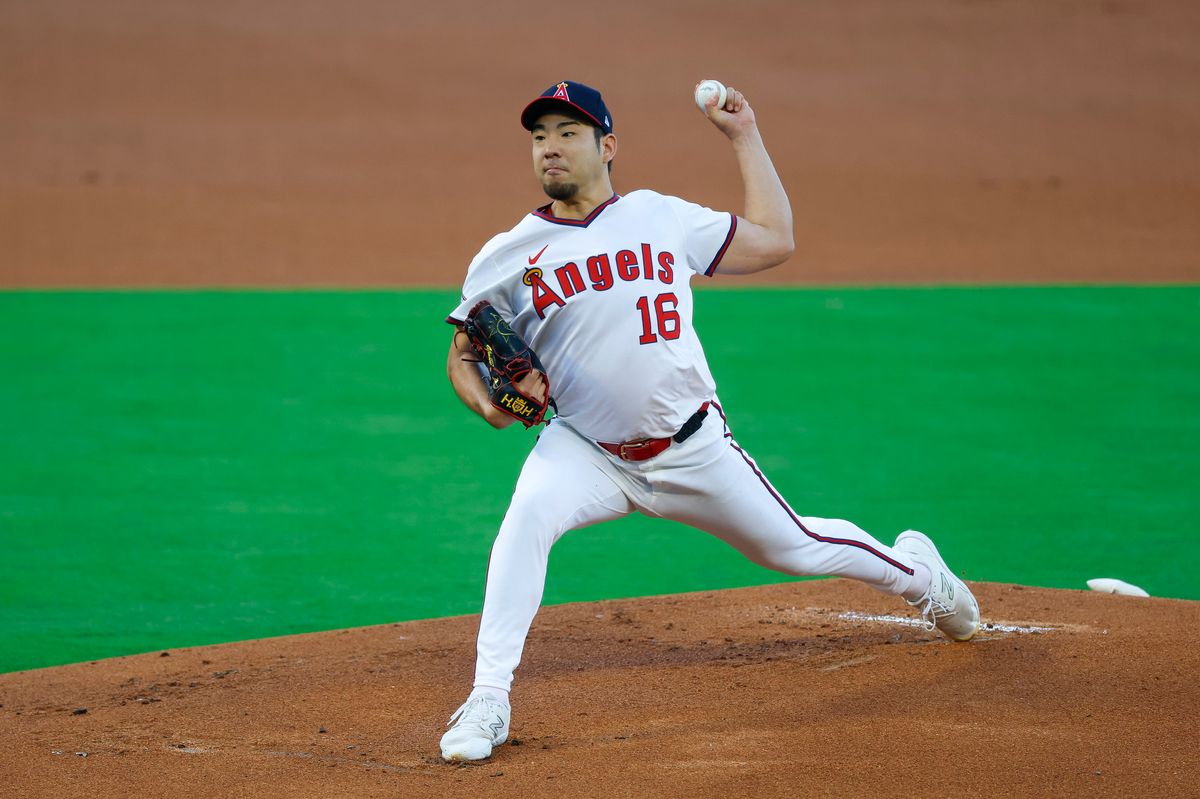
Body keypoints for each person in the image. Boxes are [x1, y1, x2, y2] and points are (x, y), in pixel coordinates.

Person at [438, 80, 980, 762]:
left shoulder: (661, 217)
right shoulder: (508, 253)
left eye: (568, 133)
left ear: (607, 147)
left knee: (794, 545)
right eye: (540, 135)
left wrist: (743, 135)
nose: (550, 146)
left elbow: (776, 240)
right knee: (525, 520)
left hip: (692, 447)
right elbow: (462, 350)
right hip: (585, 447)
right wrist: (485, 402)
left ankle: (923, 577)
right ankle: (488, 697)